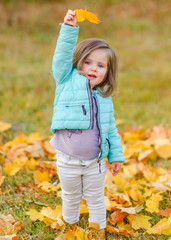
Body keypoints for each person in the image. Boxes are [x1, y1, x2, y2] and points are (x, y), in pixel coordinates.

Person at [50, 9, 125, 240]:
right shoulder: (65, 79)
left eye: (101, 66)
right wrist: (69, 29)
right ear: (78, 63)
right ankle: (70, 226)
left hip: (95, 161)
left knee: (95, 196)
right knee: (70, 195)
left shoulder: (104, 98)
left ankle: (97, 228)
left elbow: (110, 128)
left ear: (107, 72)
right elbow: (61, 56)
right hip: (67, 159)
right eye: (88, 62)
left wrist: (115, 156)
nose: (94, 68)